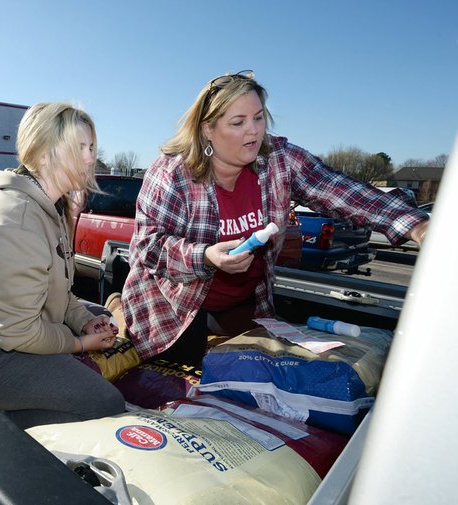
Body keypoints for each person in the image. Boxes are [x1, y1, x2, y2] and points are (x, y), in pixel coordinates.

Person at [121, 70, 429, 366]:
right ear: (207, 129)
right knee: (178, 388)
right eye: (238, 122)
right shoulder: (172, 173)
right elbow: (147, 247)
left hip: (246, 302)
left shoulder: (279, 160)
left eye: (258, 118)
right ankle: (117, 307)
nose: (254, 130)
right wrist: (207, 256)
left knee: (256, 379)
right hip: (172, 307)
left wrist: (415, 224)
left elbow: (339, 190)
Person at [0, 102, 125, 429]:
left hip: (9, 339)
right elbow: (17, 334)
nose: (91, 158)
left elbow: (60, 294)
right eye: (78, 148)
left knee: (100, 316)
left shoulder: (49, 209)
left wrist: (83, 324)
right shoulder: (17, 222)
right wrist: (80, 343)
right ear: (43, 155)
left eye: (91, 147)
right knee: (106, 403)